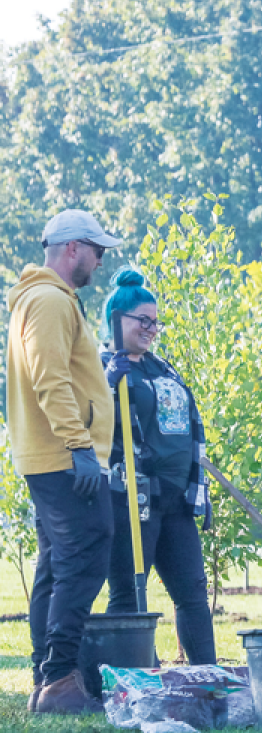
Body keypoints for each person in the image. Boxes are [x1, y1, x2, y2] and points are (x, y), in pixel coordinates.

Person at [7, 209, 121, 714]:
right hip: (64, 457)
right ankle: (58, 679)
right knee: (86, 556)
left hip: (50, 456)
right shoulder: (51, 301)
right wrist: (80, 446)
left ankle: (46, 680)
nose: (99, 261)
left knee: (56, 566)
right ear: (73, 248)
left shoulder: (42, 300)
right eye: (97, 250)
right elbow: (48, 377)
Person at [100, 266, 216, 665]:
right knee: (129, 594)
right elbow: (86, 418)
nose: (151, 329)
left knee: (193, 594)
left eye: (156, 322)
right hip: (132, 497)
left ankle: (208, 678)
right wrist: (106, 385)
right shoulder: (102, 367)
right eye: (142, 321)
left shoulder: (163, 367)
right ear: (118, 320)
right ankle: (132, 679)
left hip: (178, 499)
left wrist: (198, 487)